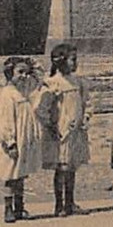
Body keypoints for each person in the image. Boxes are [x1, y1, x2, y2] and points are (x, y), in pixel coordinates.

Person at [0, 54, 46, 223]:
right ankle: (8, 209)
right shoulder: (8, 94)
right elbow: (5, 121)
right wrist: (10, 141)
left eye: (26, 73)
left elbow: (39, 75)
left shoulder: (23, 89)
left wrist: (31, 63)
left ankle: (20, 207)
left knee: (20, 174)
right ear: (9, 73)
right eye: (20, 72)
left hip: (23, 138)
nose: (24, 76)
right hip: (12, 139)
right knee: (10, 175)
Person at [40, 42, 90, 216]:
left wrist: (85, 118)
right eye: (72, 60)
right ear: (61, 62)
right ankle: (59, 204)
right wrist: (51, 125)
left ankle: (70, 202)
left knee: (71, 167)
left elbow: (85, 103)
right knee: (61, 167)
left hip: (76, 130)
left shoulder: (78, 82)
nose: (75, 64)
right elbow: (42, 107)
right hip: (61, 131)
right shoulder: (53, 83)